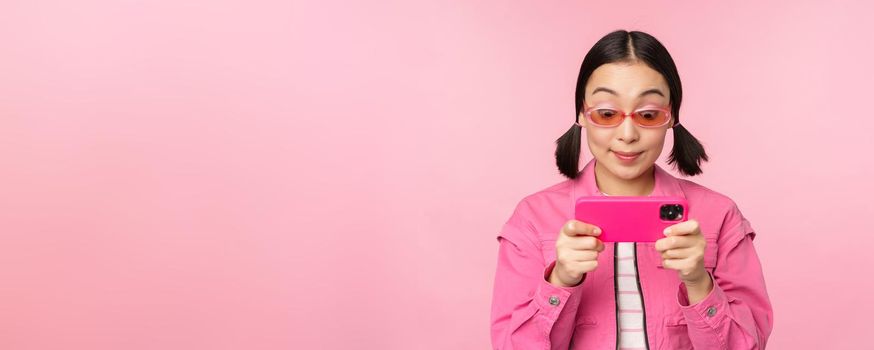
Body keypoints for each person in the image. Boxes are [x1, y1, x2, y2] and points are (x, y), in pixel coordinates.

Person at [489, 30, 773, 349]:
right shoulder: (532, 218)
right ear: (582, 113)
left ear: (672, 117)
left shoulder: (719, 216)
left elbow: (748, 345)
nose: (627, 134)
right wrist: (561, 281)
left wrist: (698, 281)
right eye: (607, 113)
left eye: (648, 114)